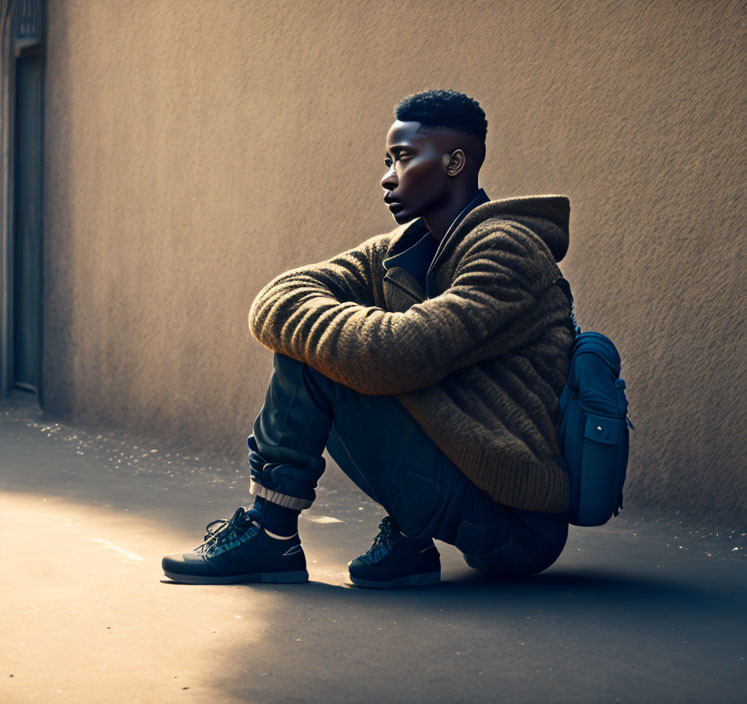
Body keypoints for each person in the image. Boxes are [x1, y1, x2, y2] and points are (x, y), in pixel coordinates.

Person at [161, 89, 576, 588]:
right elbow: (280, 294)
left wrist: (335, 333)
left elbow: (400, 355)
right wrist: (336, 328)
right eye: (387, 160)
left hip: (514, 522)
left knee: (320, 358)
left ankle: (270, 537)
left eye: (403, 158)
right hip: (462, 485)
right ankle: (409, 541)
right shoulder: (403, 252)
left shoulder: (508, 249)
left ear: (454, 162)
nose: (387, 176)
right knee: (328, 344)